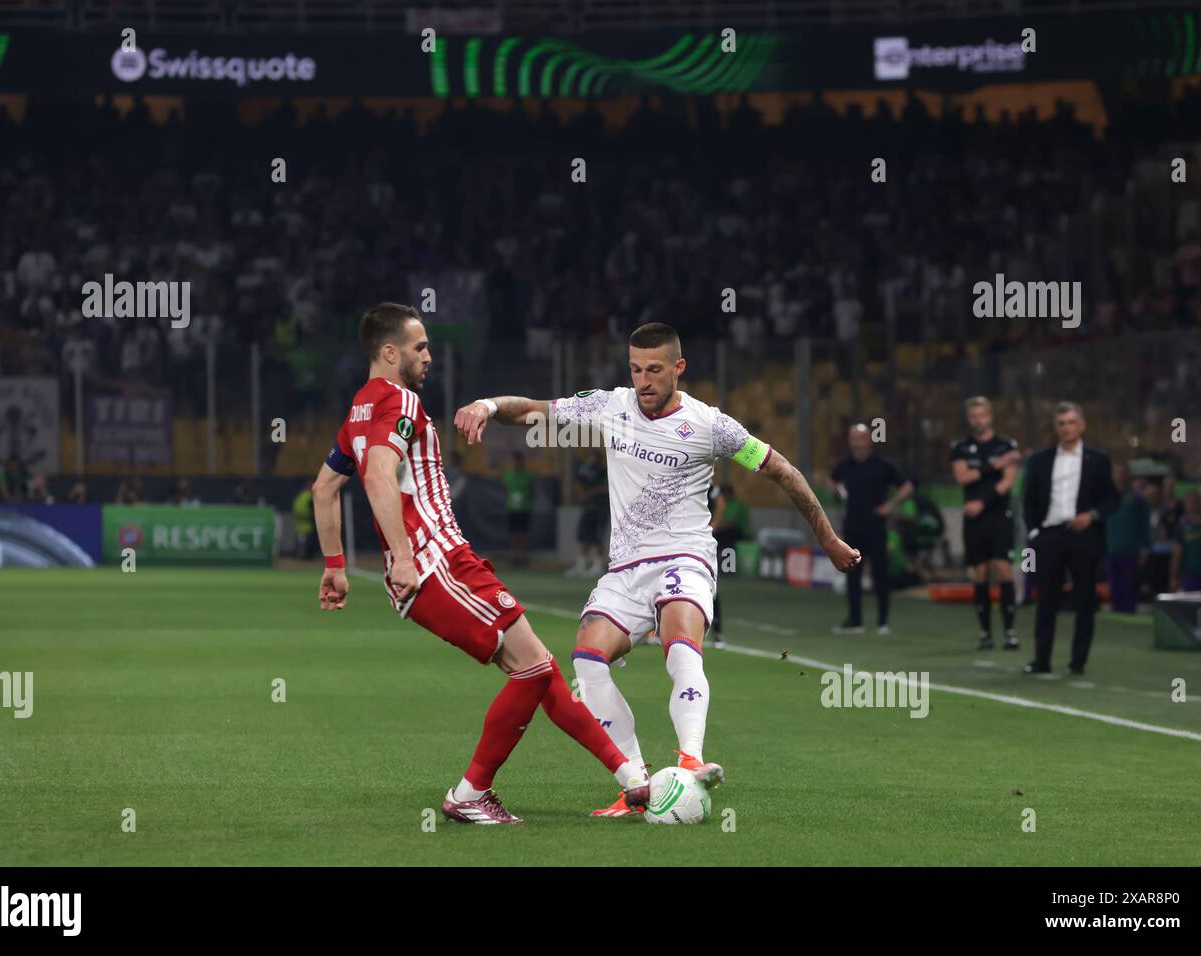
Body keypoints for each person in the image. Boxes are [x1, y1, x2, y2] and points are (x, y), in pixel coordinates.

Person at [456, 321, 859, 817]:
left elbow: (783, 471)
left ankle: (691, 758)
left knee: (678, 639)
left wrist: (828, 538)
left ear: (678, 368)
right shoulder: (611, 406)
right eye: (635, 369)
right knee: (586, 658)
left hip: (684, 556)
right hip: (625, 568)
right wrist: (489, 406)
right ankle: (638, 782)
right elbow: (535, 412)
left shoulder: (711, 424)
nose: (643, 380)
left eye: (653, 370)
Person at [313, 302, 649, 825]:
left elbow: (324, 487)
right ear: (388, 352)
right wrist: (403, 558)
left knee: (538, 666)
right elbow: (379, 476)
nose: (429, 356)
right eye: (419, 347)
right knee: (534, 668)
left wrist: (336, 564)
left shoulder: (360, 406)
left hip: (441, 561)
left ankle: (633, 780)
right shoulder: (399, 400)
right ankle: (470, 794)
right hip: (435, 562)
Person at [1020, 402, 1119, 676]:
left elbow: (1112, 497)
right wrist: (1034, 533)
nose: (1066, 428)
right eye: (1061, 423)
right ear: (1055, 428)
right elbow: (1028, 500)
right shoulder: (1039, 460)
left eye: (1071, 422)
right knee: (1046, 601)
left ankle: (1078, 662)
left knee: (1085, 600)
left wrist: (1093, 515)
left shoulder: (1098, 459)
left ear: (1082, 425)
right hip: (1049, 536)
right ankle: (1042, 659)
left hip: (1084, 536)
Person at [949, 396, 1021, 649]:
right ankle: (985, 633)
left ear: (990, 416)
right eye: (974, 416)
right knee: (979, 572)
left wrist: (982, 502)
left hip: (998, 515)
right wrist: (993, 465)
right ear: (969, 419)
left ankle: (1010, 631)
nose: (979, 420)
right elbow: (962, 477)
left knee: (1003, 569)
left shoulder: (1006, 445)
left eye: (982, 415)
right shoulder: (960, 447)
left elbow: (1008, 481)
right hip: (973, 520)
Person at [830, 424, 913, 635]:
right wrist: (839, 492)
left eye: (861, 438)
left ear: (869, 440)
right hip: (852, 527)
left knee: (880, 573)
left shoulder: (882, 465)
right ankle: (855, 620)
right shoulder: (845, 466)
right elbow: (831, 481)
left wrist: (890, 506)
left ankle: (882, 621)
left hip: (875, 527)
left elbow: (907, 486)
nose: (857, 442)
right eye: (853, 438)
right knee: (853, 575)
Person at [708, 482, 750, 647]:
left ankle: (717, 633)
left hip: (702, 541)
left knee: (710, 587)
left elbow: (720, 501)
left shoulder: (706, 480)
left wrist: (714, 525)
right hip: (679, 540)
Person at [1104, 465, 1149, 612]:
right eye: (1117, 473)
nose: (1120, 476)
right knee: (1113, 585)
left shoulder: (1137, 498)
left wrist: (1143, 548)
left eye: (1123, 473)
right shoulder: (1107, 496)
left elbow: (1144, 524)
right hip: (1111, 548)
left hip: (1130, 550)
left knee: (1129, 585)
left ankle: (1129, 610)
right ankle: (1116, 610)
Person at [567, 448, 608, 577]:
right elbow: (579, 483)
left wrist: (590, 492)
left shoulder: (603, 471)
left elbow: (606, 487)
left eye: (594, 457)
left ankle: (598, 564)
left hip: (600, 507)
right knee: (583, 535)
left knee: (597, 537)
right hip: (588, 507)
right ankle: (581, 564)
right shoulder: (586, 471)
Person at [1170, 490, 1201, 592]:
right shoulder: (1182, 525)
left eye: (1195, 501)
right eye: (1189, 502)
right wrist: (1174, 577)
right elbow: (1177, 553)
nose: (1192, 504)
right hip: (1189, 575)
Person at [501, 452, 533, 568]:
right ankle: (514, 557)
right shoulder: (508, 476)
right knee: (513, 535)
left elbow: (532, 490)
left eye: (518, 461)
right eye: (515, 461)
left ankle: (523, 557)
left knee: (523, 535)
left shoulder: (528, 476)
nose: (516, 463)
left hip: (524, 509)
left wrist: (527, 500)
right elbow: (505, 489)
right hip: (512, 509)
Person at [292, 479, 316, 560]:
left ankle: (300, 556)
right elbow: (311, 509)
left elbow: (295, 508)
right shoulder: (309, 496)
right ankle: (305, 557)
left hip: (299, 524)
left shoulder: (300, 496)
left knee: (300, 541)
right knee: (306, 542)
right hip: (307, 524)